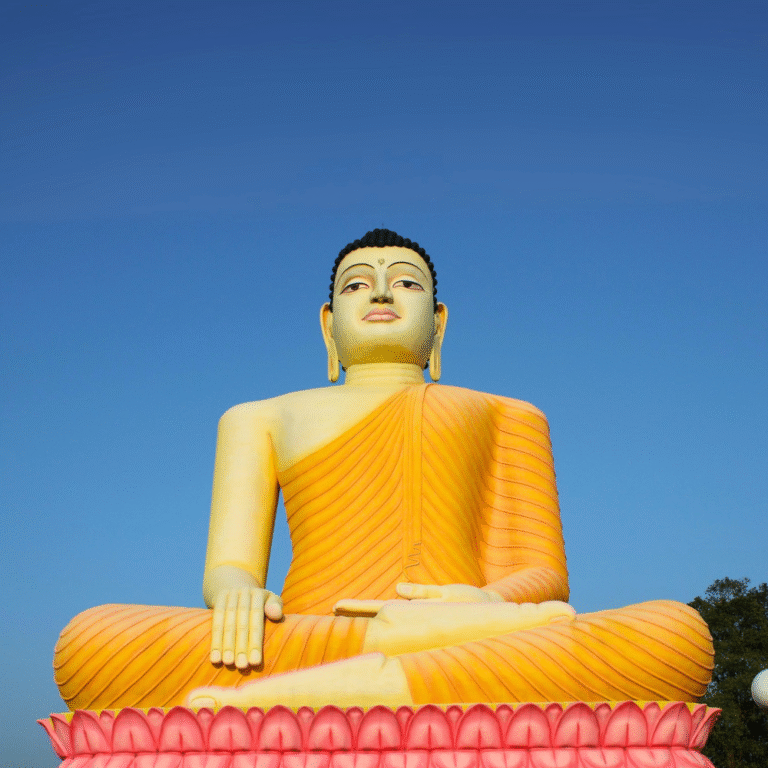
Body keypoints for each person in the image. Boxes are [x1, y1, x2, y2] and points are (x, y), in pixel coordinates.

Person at [54, 229, 714, 711]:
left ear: (440, 323)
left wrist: (485, 603)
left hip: (471, 628)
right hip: (314, 635)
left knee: (673, 636)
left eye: (404, 281)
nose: (378, 291)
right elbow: (229, 567)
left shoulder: (506, 413)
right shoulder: (261, 416)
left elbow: (544, 575)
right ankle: (372, 671)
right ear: (327, 325)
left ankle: (291, 700)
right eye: (356, 283)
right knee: (92, 641)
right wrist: (234, 594)